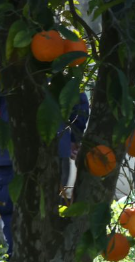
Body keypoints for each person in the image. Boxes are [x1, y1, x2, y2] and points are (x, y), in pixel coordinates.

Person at [0, 92, 89, 253]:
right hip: (51, 148)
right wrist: (74, 137)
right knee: (42, 214)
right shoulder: (57, 67)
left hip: (22, 152)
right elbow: (77, 96)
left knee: (20, 216)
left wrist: (74, 136)